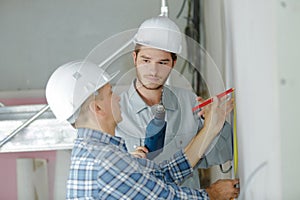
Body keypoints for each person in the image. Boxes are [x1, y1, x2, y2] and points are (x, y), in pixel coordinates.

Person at [45, 60, 239, 199]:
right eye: (110, 93)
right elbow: (168, 197)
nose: (118, 97)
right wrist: (213, 194)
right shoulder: (105, 163)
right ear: (97, 108)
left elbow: (162, 176)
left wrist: (211, 127)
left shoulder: (97, 154)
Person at [116, 16, 233, 189]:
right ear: (134, 58)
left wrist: (215, 122)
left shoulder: (189, 102)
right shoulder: (114, 114)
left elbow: (223, 153)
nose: (153, 71)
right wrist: (125, 167)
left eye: (162, 63)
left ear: (173, 63)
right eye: (146, 61)